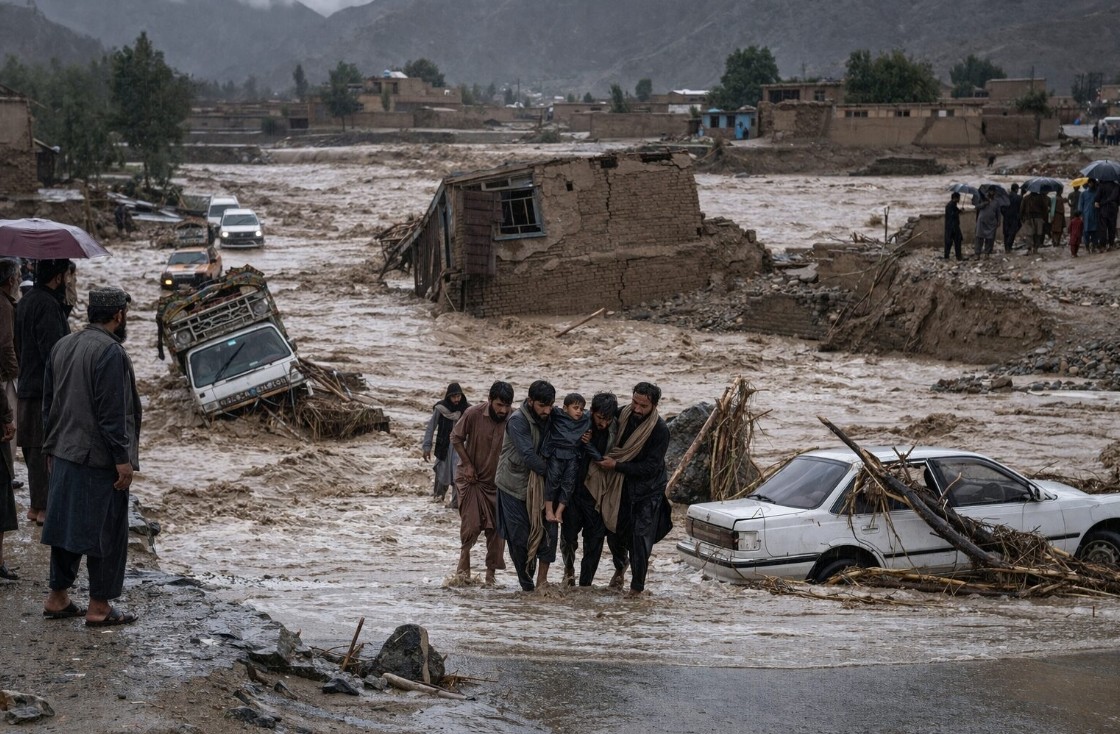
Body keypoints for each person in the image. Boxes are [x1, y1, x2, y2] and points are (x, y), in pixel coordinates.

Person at [41, 287, 141, 626]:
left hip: (63, 452)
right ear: (118, 315)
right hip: (98, 460)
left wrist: (48, 448)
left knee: (65, 527)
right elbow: (112, 414)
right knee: (107, 531)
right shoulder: (110, 352)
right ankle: (99, 606)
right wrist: (123, 460)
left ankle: (58, 597)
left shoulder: (63, 344)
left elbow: (48, 404)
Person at [588, 382, 671, 597]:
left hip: (647, 490)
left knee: (640, 538)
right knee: (614, 532)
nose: (637, 409)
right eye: (635, 402)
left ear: (653, 406)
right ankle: (620, 566)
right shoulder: (622, 414)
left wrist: (616, 466)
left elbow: (651, 467)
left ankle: (636, 589)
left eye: (643, 406)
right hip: (620, 486)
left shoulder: (660, 430)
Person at [15, 258, 71, 525]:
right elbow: (53, 353)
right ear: (58, 277)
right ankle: (45, 510)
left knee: (33, 450)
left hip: (26, 387)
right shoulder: (48, 306)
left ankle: (37, 507)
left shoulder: (25, 301)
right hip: (44, 393)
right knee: (46, 450)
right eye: (67, 276)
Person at [559, 391, 630, 588]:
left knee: (595, 542)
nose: (603, 424)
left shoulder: (618, 428)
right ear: (592, 412)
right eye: (600, 418)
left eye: (607, 419)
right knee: (568, 537)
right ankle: (569, 569)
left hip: (600, 494)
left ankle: (585, 585)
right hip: (575, 491)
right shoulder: (579, 422)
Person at [449, 380, 512, 584]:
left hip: (499, 484)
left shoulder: (515, 419)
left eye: (507, 406)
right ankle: (463, 569)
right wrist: (467, 464)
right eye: (499, 405)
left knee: (497, 532)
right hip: (472, 480)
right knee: (471, 525)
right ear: (490, 400)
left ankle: (490, 576)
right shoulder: (473, 414)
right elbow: (455, 437)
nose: (503, 410)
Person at [495, 379, 555, 592]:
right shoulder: (517, 421)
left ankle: (541, 582)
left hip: (541, 486)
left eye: (550, 405)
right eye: (542, 406)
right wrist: (555, 474)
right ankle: (526, 585)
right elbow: (528, 456)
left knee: (549, 533)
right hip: (513, 485)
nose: (547, 410)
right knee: (519, 538)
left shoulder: (551, 415)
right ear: (530, 402)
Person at [542, 392, 593, 525]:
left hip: (573, 455)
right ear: (565, 408)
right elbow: (545, 409)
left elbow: (595, 413)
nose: (579, 412)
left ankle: (559, 511)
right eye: (575, 408)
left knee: (568, 484)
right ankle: (548, 510)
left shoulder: (586, 419)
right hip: (556, 453)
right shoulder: (557, 414)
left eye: (581, 409)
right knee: (552, 480)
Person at [421, 382, 468, 507]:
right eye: (454, 397)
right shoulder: (441, 409)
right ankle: (436, 505)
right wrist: (427, 447)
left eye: (458, 396)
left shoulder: (467, 411)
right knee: (441, 477)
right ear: (448, 397)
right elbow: (431, 428)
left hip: (460, 450)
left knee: (458, 478)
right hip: (444, 449)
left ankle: (454, 507)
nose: (456, 399)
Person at [0, 259, 20, 494]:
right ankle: (8, 474)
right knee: (8, 428)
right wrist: (14, 372)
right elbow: (5, 345)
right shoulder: (4, 305)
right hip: (4, 377)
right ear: (11, 280)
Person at [1019, 189, 1048, 255]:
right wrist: (1044, 218)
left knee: (1029, 234)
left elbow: (1021, 209)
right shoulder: (1041, 198)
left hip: (1028, 218)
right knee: (1038, 234)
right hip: (1038, 218)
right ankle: (1035, 249)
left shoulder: (1026, 198)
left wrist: (1021, 218)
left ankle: (1029, 249)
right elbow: (1045, 208)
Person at [974, 189, 1001, 259]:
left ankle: (987, 253)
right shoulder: (982, 199)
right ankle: (977, 254)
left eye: (993, 191)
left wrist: (999, 221)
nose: (992, 193)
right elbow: (976, 207)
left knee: (990, 239)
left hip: (991, 223)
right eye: (991, 191)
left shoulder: (996, 202)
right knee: (979, 237)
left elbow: (998, 212)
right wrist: (985, 203)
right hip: (981, 222)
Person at [1097, 179, 1119, 250]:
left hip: (1103, 209)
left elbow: (1097, 197)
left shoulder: (1101, 186)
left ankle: (1103, 246)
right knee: (1112, 227)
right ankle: (1111, 245)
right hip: (1113, 209)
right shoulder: (1117, 186)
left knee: (1103, 228)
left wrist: (1097, 202)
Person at [1080, 180, 1100, 252]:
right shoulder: (1083, 194)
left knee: (1095, 231)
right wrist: (1081, 215)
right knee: (1086, 231)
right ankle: (1087, 246)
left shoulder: (1097, 193)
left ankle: (1094, 246)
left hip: (1095, 214)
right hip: (1086, 215)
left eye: (1092, 183)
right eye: (1090, 183)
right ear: (1088, 184)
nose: (1091, 184)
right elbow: (1080, 205)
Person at [1001, 183, 1022, 253]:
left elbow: (1002, 208)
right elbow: (1021, 208)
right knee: (1012, 232)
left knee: (1006, 233)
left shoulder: (1006, 197)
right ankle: (1009, 247)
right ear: (1016, 189)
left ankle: (1006, 247)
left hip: (1006, 217)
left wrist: (1004, 214)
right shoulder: (1019, 198)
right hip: (1014, 217)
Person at [943, 192, 963, 261]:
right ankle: (947, 256)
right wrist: (958, 212)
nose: (959, 199)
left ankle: (958, 256)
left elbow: (955, 212)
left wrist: (959, 211)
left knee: (957, 241)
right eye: (959, 198)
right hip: (951, 227)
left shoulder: (953, 205)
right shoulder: (950, 205)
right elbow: (952, 215)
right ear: (955, 198)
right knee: (949, 242)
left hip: (954, 226)